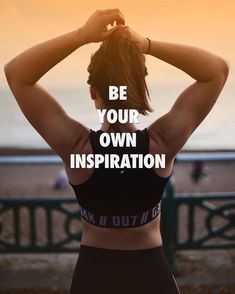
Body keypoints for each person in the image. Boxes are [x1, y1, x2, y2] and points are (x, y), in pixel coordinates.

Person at [4, 9, 229, 294]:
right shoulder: (162, 142)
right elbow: (216, 71)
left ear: (93, 91)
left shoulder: (78, 147)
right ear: (141, 87)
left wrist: (81, 36)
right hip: (151, 275)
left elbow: (17, 74)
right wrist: (146, 44)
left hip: (94, 275)